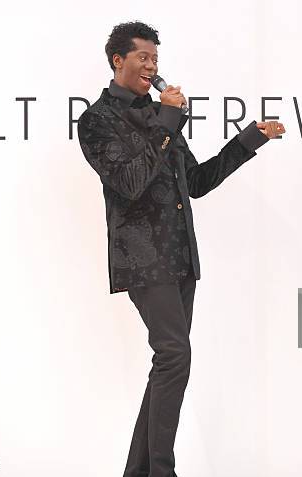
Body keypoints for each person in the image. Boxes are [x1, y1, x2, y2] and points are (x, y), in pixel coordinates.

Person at [77, 21, 285, 477]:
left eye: (155, 59)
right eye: (143, 58)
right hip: (142, 257)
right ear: (118, 61)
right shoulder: (96, 120)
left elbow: (196, 182)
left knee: (167, 364)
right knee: (174, 356)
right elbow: (130, 182)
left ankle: (139, 471)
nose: (152, 67)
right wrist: (169, 121)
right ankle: (162, 470)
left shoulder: (160, 116)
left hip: (180, 257)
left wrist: (250, 139)